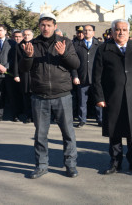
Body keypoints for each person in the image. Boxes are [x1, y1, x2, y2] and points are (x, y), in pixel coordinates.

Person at [19, 13, 80, 179]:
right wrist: (28, 56)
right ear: (39, 26)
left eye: (48, 25)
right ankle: (41, 165)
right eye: (42, 25)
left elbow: (75, 64)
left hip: (62, 95)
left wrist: (64, 54)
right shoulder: (32, 44)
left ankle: (70, 165)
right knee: (40, 134)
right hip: (40, 96)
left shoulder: (65, 43)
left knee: (68, 132)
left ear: (54, 26)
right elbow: (24, 69)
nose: (45, 28)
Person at [92, 19, 132, 175]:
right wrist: (99, 97)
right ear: (112, 32)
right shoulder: (104, 49)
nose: (121, 32)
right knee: (114, 131)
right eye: (118, 29)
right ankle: (115, 163)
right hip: (112, 97)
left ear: (128, 31)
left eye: (124, 29)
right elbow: (96, 76)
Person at [72, 25, 103, 128]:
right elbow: (73, 63)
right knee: (82, 101)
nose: (87, 32)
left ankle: (100, 119)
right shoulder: (76, 45)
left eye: (89, 30)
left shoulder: (99, 45)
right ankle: (82, 120)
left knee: (98, 100)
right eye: (85, 30)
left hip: (96, 79)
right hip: (82, 78)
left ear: (93, 32)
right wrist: (75, 76)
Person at [0, 24, 17, 123]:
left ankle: (14, 115)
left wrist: (6, 67)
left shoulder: (12, 43)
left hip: (9, 73)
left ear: (5, 31)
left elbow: (14, 57)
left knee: (11, 95)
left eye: (0, 30)